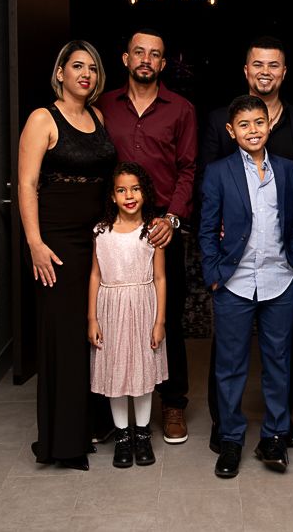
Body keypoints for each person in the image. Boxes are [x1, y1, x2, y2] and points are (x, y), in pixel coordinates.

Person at [200, 36, 293, 452]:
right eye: (244, 125)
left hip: (280, 278)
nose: (253, 130)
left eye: (259, 124)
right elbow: (207, 222)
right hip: (233, 277)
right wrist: (213, 272)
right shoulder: (219, 165)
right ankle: (229, 437)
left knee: (278, 361)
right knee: (230, 363)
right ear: (231, 131)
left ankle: (275, 435)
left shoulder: (287, 164)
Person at [18, 40, 116, 470]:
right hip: (56, 242)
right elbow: (27, 184)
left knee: (92, 331)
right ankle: (63, 442)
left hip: (96, 239)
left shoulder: (98, 117)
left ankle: (92, 423)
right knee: (62, 336)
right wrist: (35, 244)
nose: (85, 74)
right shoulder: (43, 118)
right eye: (77, 66)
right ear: (60, 73)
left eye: (92, 68)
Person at [97, 28, 197, 445]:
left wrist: (172, 219)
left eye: (154, 54)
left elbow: (188, 169)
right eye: (139, 52)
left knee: (166, 315)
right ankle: (112, 409)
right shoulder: (103, 105)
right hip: (115, 230)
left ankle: (173, 403)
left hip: (160, 231)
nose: (145, 60)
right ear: (126, 59)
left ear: (163, 63)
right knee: (113, 317)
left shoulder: (182, 109)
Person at [89, 162, 169, 468]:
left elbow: (160, 278)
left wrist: (159, 321)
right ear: (112, 196)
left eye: (135, 189)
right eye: (121, 190)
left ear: (144, 192)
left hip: (143, 308)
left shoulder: (151, 232)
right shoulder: (101, 232)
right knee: (117, 372)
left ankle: (142, 434)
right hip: (111, 310)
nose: (129, 195)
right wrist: (92, 319)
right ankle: (122, 436)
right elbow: (95, 276)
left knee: (142, 373)